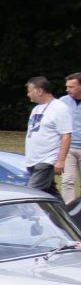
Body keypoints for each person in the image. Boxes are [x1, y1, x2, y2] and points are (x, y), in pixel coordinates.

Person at [24, 76, 73, 195]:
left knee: (31, 193)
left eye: (30, 91)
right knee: (50, 193)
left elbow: (66, 135)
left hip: (46, 160)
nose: (28, 94)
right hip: (33, 160)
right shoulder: (36, 109)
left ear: (39, 91)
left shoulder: (59, 108)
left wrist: (60, 161)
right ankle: (64, 213)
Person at [62, 72, 81, 206]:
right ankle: (70, 211)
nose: (68, 89)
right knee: (67, 181)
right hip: (68, 148)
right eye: (67, 86)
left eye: (71, 86)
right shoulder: (62, 102)